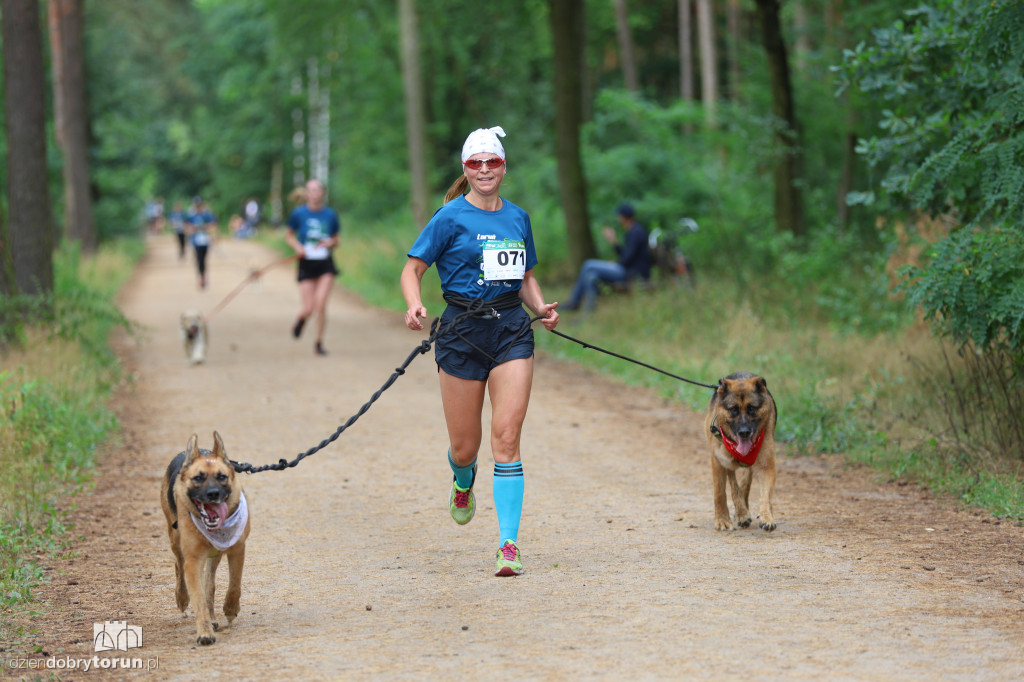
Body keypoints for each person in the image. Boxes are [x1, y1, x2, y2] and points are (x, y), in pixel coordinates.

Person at [400, 126, 560, 577]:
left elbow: (525, 275)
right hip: (461, 331)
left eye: (493, 162)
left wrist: (540, 307)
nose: (485, 169)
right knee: (465, 447)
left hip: (511, 328)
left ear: (504, 167)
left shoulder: (518, 218)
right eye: (476, 163)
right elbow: (412, 270)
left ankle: (508, 544)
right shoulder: (449, 218)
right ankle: (463, 479)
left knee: (507, 438)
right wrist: (414, 303)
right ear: (466, 170)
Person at [284, 179, 340, 356]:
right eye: (311, 190)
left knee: (321, 305)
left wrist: (330, 242)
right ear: (306, 194)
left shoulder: (331, 215)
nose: (314, 193)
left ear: (322, 193)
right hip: (306, 262)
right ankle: (301, 318)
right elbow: (289, 235)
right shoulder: (298, 214)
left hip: (325, 263)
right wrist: (298, 248)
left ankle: (319, 343)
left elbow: (336, 239)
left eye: (317, 190)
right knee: (309, 308)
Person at [563, 203, 652, 312]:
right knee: (591, 275)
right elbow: (627, 255)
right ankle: (587, 311)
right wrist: (613, 241)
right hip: (628, 270)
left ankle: (574, 303)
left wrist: (616, 263)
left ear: (623, 217)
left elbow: (627, 259)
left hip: (632, 274)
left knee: (588, 264)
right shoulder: (634, 230)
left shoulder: (635, 232)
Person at [186, 197, 218, 290]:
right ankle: (201, 277)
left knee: (204, 260)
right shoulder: (192, 216)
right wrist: (193, 228)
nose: (197, 207)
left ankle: (204, 275)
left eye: (199, 205)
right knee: (199, 260)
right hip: (196, 242)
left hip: (205, 241)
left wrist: (207, 227)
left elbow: (214, 225)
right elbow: (187, 227)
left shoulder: (207, 215)